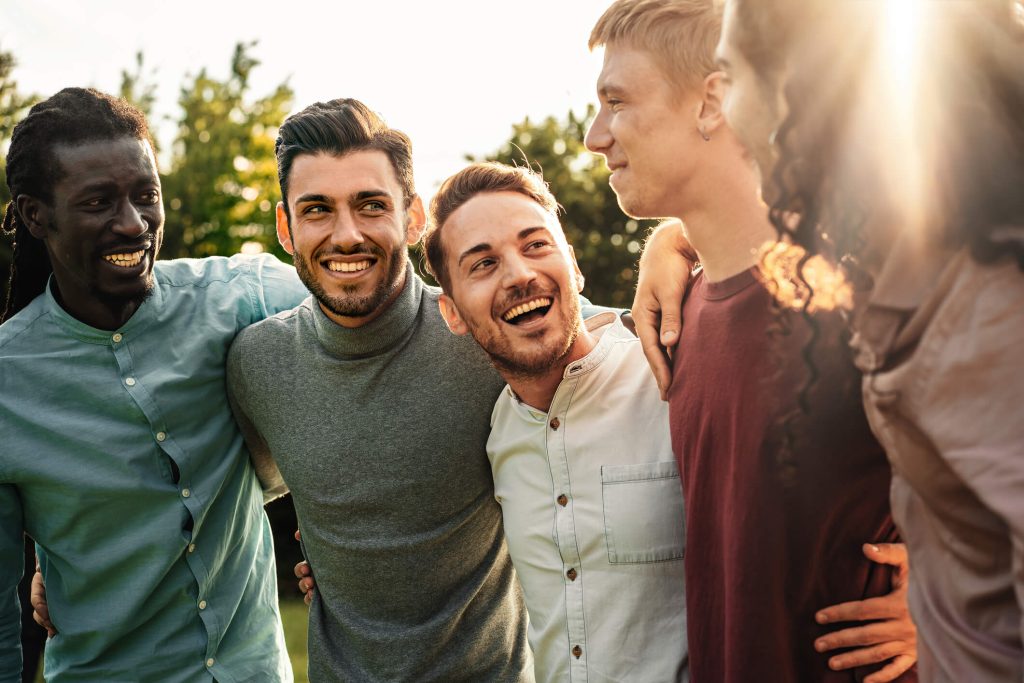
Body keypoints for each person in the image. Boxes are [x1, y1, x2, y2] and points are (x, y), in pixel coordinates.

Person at [586, 1, 917, 680]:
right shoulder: (678, 313)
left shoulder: (866, 293)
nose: (595, 136)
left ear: (712, 102)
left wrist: (951, 592)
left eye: (615, 100)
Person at [711, 0, 1024, 679]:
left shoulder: (985, 310)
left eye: (729, 76)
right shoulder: (914, 267)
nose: (723, 115)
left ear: (802, 86)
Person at [0, 88, 304, 681]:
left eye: (147, 196)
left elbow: (374, 316)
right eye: (98, 203)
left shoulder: (240, 297)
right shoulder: (8, 385)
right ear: (36, 215)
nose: (134, 224)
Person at [225, 98, 533, 682]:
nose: (346, 236)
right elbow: (226, 500)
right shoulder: (256, 364)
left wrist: (674, 246)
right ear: (285, 228)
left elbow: (612, 332)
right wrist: (78, 568)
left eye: (370, 205)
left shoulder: (490, 332)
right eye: (316, 210)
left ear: (413, 218)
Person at [421, 161, 687, 682]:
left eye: (536, 245)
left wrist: (674, 235)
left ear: (575, 266)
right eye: (483, 264)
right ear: (452, 313)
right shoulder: (497, 435)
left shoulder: (670, 377)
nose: (520, 275)